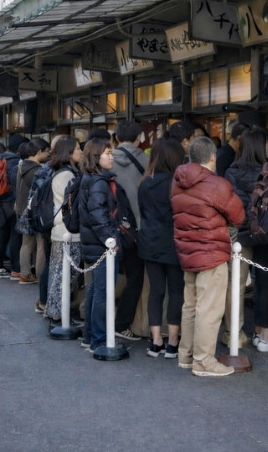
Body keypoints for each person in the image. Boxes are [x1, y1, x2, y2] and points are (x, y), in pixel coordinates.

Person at [171, 136, 245, 377]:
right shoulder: (217, 184)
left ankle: (187, 355)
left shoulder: (177, 181)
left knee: (190, 305)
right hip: (211, 252)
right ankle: (203, 362)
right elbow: (238, 216)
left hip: (187, 251)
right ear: (213, 157)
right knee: (210, 309)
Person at [225, 129, 268, 353]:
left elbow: (230, 204)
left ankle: (233, 333)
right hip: (265, 234)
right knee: (266, 283)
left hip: (240, 233)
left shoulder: (231, 171)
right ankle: (263, 329)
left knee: (235, 285)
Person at [137, 137, 185, 358]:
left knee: (155, 292)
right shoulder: (177, 183)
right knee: (176, 292)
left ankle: (155, 341)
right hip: (174, 243)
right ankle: (173, 342)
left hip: (149, 242)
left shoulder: (145, 181)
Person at [78, 138, 123, 353]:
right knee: (102, 292)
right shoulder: (99, 182)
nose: (111, 156)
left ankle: (90, 336)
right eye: (107, 153)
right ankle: (98, 339)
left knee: (95, 290)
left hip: (92, 243)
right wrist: (110, 240)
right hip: (102, 245)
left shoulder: (88, 178)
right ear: (96, 157)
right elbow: (98, 214)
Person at [110, 119, 150, 340]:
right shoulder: (147, 159)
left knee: (107, 275)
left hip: (109, 229)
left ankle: (99, 320)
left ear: (116, 138)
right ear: (139, 138)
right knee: (135, 278)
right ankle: (123, 323)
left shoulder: (105, 159)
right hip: (137, 230)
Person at [45, 136, 82, 319]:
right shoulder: (68, 175)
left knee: (58, 275)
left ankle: (54, 311)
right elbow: (74, 204)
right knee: (63, 277)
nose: (81, 152)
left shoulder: (58, 171)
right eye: (78, 149)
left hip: (59, 230)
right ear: (69, 152)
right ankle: (59, 315)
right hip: (68, 232)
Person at [0, 134, 27, 279]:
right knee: (15, 236)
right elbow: (16, 185)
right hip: (11, 204)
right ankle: (15, 269)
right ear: (19, 148)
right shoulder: (16, 162)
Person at [15, 138, 50, 285]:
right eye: (47, 152)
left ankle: (25, 274)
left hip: (22, 209)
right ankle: (41, 277)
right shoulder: (36, 170)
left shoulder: (22, 166)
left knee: (26, 244)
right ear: (39, 152)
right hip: (34, 211)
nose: (49, 155)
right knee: (41, 244)